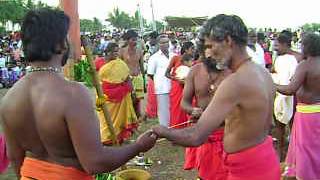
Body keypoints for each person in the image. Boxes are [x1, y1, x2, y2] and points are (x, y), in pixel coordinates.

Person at [0, 8, 156, 179]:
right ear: (60, 44)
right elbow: (94, 162)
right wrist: (139, 146)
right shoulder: (72, 93)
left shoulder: (9, 99)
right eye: (67, 36)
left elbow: (15, 158)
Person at [152, 14, 280, 180]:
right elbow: (267, 123)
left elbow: (196, 136)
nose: (209, 53)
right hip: (265, 160)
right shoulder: (264, 73)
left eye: (211, 46)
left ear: (227, 41)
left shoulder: (235, 82)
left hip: (247, 170)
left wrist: (162, 131)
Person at [181, 48, 231, 179]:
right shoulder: (195, 71)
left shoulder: (233, 72)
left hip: (229, 134)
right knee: (206, 174)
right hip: (205, 135)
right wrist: (192, 110)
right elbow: (184, 103)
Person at [276, 33, 320, 180]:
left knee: (305, 149)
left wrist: (272, 84)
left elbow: (290, 90)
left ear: (307, 47)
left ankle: (307, 175)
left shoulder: (305, 65)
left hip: (307, 115)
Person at [96, 42, 139, 145]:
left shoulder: (120, 63)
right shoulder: (98, 62)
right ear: (107, 52)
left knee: (121, 117)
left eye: (117, 51)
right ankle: (106, 138)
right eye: (114, 51)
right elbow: (95, 79)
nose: (116, 53)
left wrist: (132, 90)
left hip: (122, 93)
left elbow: (127, 78)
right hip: (105, 95)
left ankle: (120, 137)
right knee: (105, 117)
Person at [272, 30, 298, 160]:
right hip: (282, 94)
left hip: (293, 95)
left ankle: (287, 154)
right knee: (284, 126)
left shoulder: (296, 58)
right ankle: (286, 154)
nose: (275, 48)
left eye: (277, 46)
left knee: (289, 126)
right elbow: (274, 72)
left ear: (284, 44)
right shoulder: (280, 58)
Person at [165, 42, 194, 128]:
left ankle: (187, 128)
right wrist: (177, 79)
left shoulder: (193, 60)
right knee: (177, 109)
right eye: (192, 48)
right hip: (177, 87)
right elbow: (166, 74)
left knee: (188, 107)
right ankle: (176, 128)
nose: (194, 50)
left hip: (188, 87)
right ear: (186, 49)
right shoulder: (175, 58)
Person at [147, 34, 172, 127]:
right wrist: (159, 83)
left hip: (174, 87)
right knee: (163, 110)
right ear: (158, 44)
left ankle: (175, 128)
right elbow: (150, 74)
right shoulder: (154, 58)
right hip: (162, 88)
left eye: (167, 42)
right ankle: (165, 130)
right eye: (163, 42)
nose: (165, 44)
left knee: (173, 109)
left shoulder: (174, 55)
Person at [120, 30, 145, 120]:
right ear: (127, 40)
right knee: (129, 99)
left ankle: (139, 116)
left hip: (138, 77)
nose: (135, 42)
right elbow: (119, 65)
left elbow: (141, 66)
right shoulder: (122, 51)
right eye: (133, 40)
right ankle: (130, 117)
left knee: (138, 99)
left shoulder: (139, 51)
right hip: (127, 79)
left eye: (136, 40)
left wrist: (144, 79)